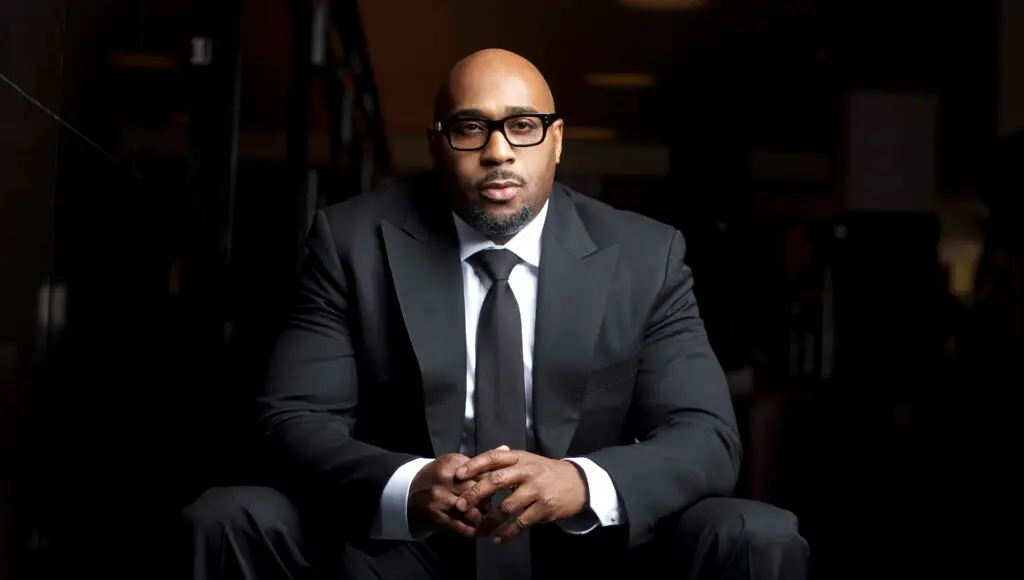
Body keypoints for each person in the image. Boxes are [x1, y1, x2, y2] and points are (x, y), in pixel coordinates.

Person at [183, 48, 808, 580]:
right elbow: (292, 417)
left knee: (755, 532)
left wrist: (582, 483)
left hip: (583, 551)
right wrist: (407, 484)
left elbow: (707, 436)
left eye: (523, 126)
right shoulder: (351, 242)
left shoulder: (647, 255)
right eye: (469, 128)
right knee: (230, 514)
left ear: (556, 140)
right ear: (438, 145)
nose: (498, 151)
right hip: (403, 550)